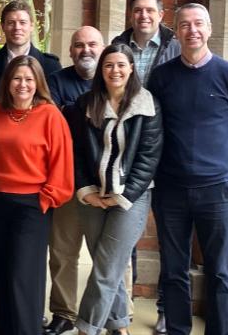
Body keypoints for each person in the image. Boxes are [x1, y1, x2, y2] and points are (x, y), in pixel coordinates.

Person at [147, 3, 228, 335]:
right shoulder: (162, 77)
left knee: (219, 270)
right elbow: (152, 129)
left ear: (209, 29)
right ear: (175, 32)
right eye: (184, 25)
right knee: (174, 269)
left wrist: (220, 164)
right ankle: (178, 329)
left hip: (216, 191)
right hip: (171, 190)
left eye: (198, 24)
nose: (192, 30)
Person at [67, 44, 163, 335]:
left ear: (132, 68)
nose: (115, 71)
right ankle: (119, 326)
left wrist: (121, 197)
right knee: (107, 265)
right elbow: (78, 153)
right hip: (92, 196)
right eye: (109, 65)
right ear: (101, 69)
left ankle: (87, 328)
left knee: (107, 267)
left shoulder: (148, 105)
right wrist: (88, 192)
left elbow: (148, 160)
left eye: (121, 65)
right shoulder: (86, 103)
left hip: (132, 199)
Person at [0, 0, 61, 327]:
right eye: (16, 79)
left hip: (32, 204)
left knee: (23, 277)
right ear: (7, 82)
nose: (22, 84)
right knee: (2, 271)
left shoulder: (49, 113)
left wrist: (46, 199)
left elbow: (60, 161)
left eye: (28, 80)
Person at [110, 0, 181, 334]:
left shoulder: (174, 45)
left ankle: (166, 308)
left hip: (167, 152)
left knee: (170, 236)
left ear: (161, 14)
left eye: (150, 10)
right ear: (131, 14)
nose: (143, 16)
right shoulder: (118, 44)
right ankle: (121, 310)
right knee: (126, 237)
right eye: (138, 10)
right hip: (127, 151)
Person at [44, 26, 105, 335]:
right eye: (79, 45)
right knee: (63, 253)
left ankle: (115, 315)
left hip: (105, 185)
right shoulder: (55, 81)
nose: (86, 50)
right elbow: (54, 127)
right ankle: (64, 313)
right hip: (67, 181)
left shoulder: (113, 78)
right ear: (70, 51)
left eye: (92, 44)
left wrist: (73, 113)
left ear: (103, 48)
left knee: (108, 254)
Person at [0, 0, 61, 109]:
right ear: (3, 26)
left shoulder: (50, 65)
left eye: (22, 22)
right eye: (11, 23)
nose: (17, 28)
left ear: (32, 26)